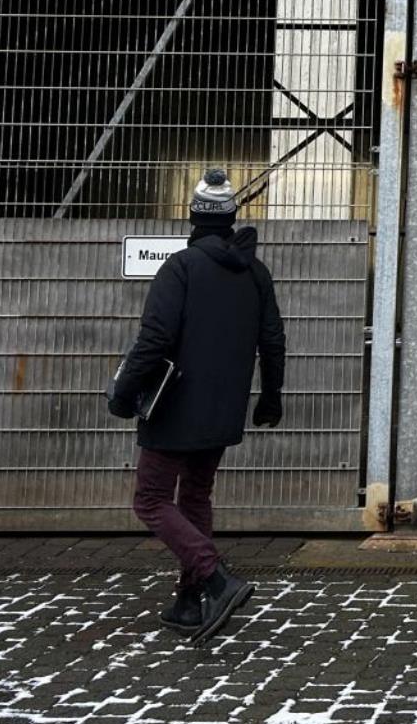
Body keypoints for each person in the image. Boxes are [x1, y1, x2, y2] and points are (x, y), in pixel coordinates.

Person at [109, 167, 286, 640]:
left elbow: (154, 340)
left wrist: (124, 393)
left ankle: (215, 577)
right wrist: (270, 398)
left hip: (174, 405)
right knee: (194, 497)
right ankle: (190, 602)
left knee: (150, 500)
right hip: (224, 408)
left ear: (193, 217)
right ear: (231, 217)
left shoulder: (181, 269)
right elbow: (272, 341)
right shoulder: (256, 273)